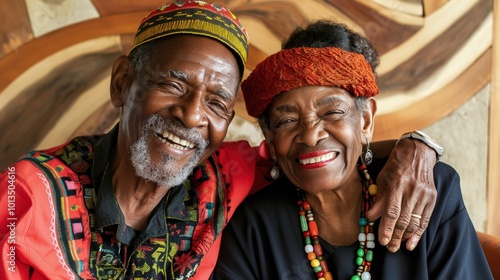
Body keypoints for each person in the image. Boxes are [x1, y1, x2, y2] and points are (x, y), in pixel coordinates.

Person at [0, 1, 440, 279]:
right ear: (122, 84)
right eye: (172, 85)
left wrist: (415, 150)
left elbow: (315, 152)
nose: (191, 115)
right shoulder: (28, 192)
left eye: (215, 102)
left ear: (228, 119)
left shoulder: (228, 176)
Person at [212, 20, 492, 279]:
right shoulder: (251, 227)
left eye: (332, 112)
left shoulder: (424, 190)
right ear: (270, 139)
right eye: (287, 121)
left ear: (366, 119)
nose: (310, 136)